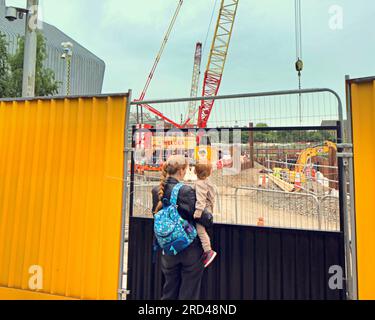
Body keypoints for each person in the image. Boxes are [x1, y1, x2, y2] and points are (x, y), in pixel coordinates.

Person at [152, 155, 206, 300]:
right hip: (189, 250)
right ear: (182, 171)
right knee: (188, 293)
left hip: (168, 249)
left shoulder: (156, 190)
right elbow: (203, 217)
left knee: (169, 291)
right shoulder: (186, 191)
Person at [194, 162, 217, 268]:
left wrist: (198, 212)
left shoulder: (200, 184)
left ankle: (208, 251)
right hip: (208, 210)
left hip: (203, 211)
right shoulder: (208, 182)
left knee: (200, 231)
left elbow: (201, 199)